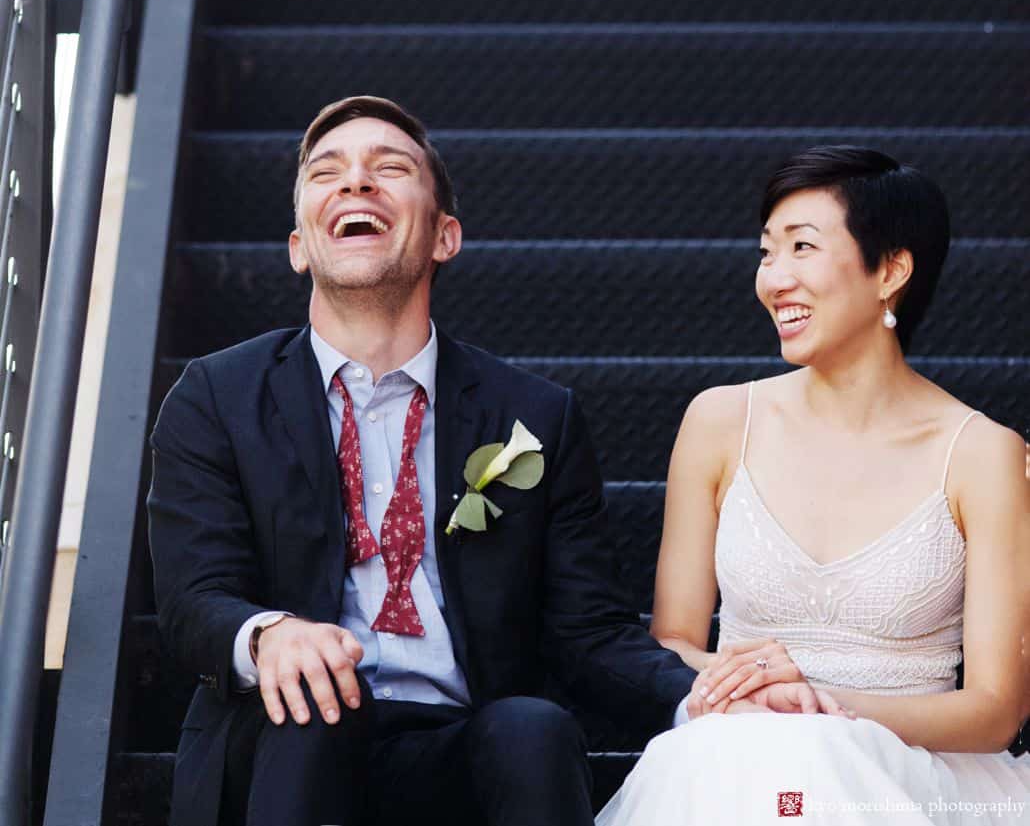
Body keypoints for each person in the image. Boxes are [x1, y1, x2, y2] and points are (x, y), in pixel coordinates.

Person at [147, 94, 699, 826]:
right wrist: (271, 634)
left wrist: (702, 694)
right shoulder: (216, 396)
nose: (356, 183)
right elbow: (193, 600)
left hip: (461, 739)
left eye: (390, 167)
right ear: (298, 246)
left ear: (445, 236)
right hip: (285, 740)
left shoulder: (534, 417)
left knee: (533, 727)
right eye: (328, 173)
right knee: (317, 707)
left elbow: (590, 634)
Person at [597, 145, 1030, 825]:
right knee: (758, 772)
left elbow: (997, 708)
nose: (775, 278)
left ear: (891, 269)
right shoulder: (718, 420)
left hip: (908, 769)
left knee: (797, 777)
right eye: (767, 252)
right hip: (739, 751)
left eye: (802, 247)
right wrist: (754, 695)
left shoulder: (981, 453)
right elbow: (674, 638)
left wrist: (821, 706)